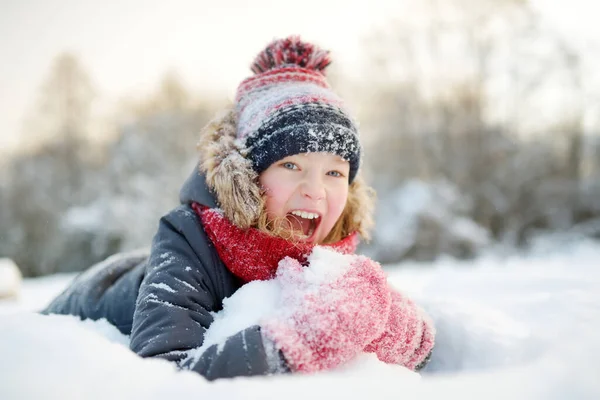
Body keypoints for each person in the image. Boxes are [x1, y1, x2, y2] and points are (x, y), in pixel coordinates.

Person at [42, 36, 435, 380]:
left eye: (334, 172)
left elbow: (413, 341)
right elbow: (162, 372)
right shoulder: (189, 238)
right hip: (97, 292)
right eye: (291, 165)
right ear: (249, 175)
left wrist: (389, 326)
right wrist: (295, 342)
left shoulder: (327, 243)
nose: (315, 190)